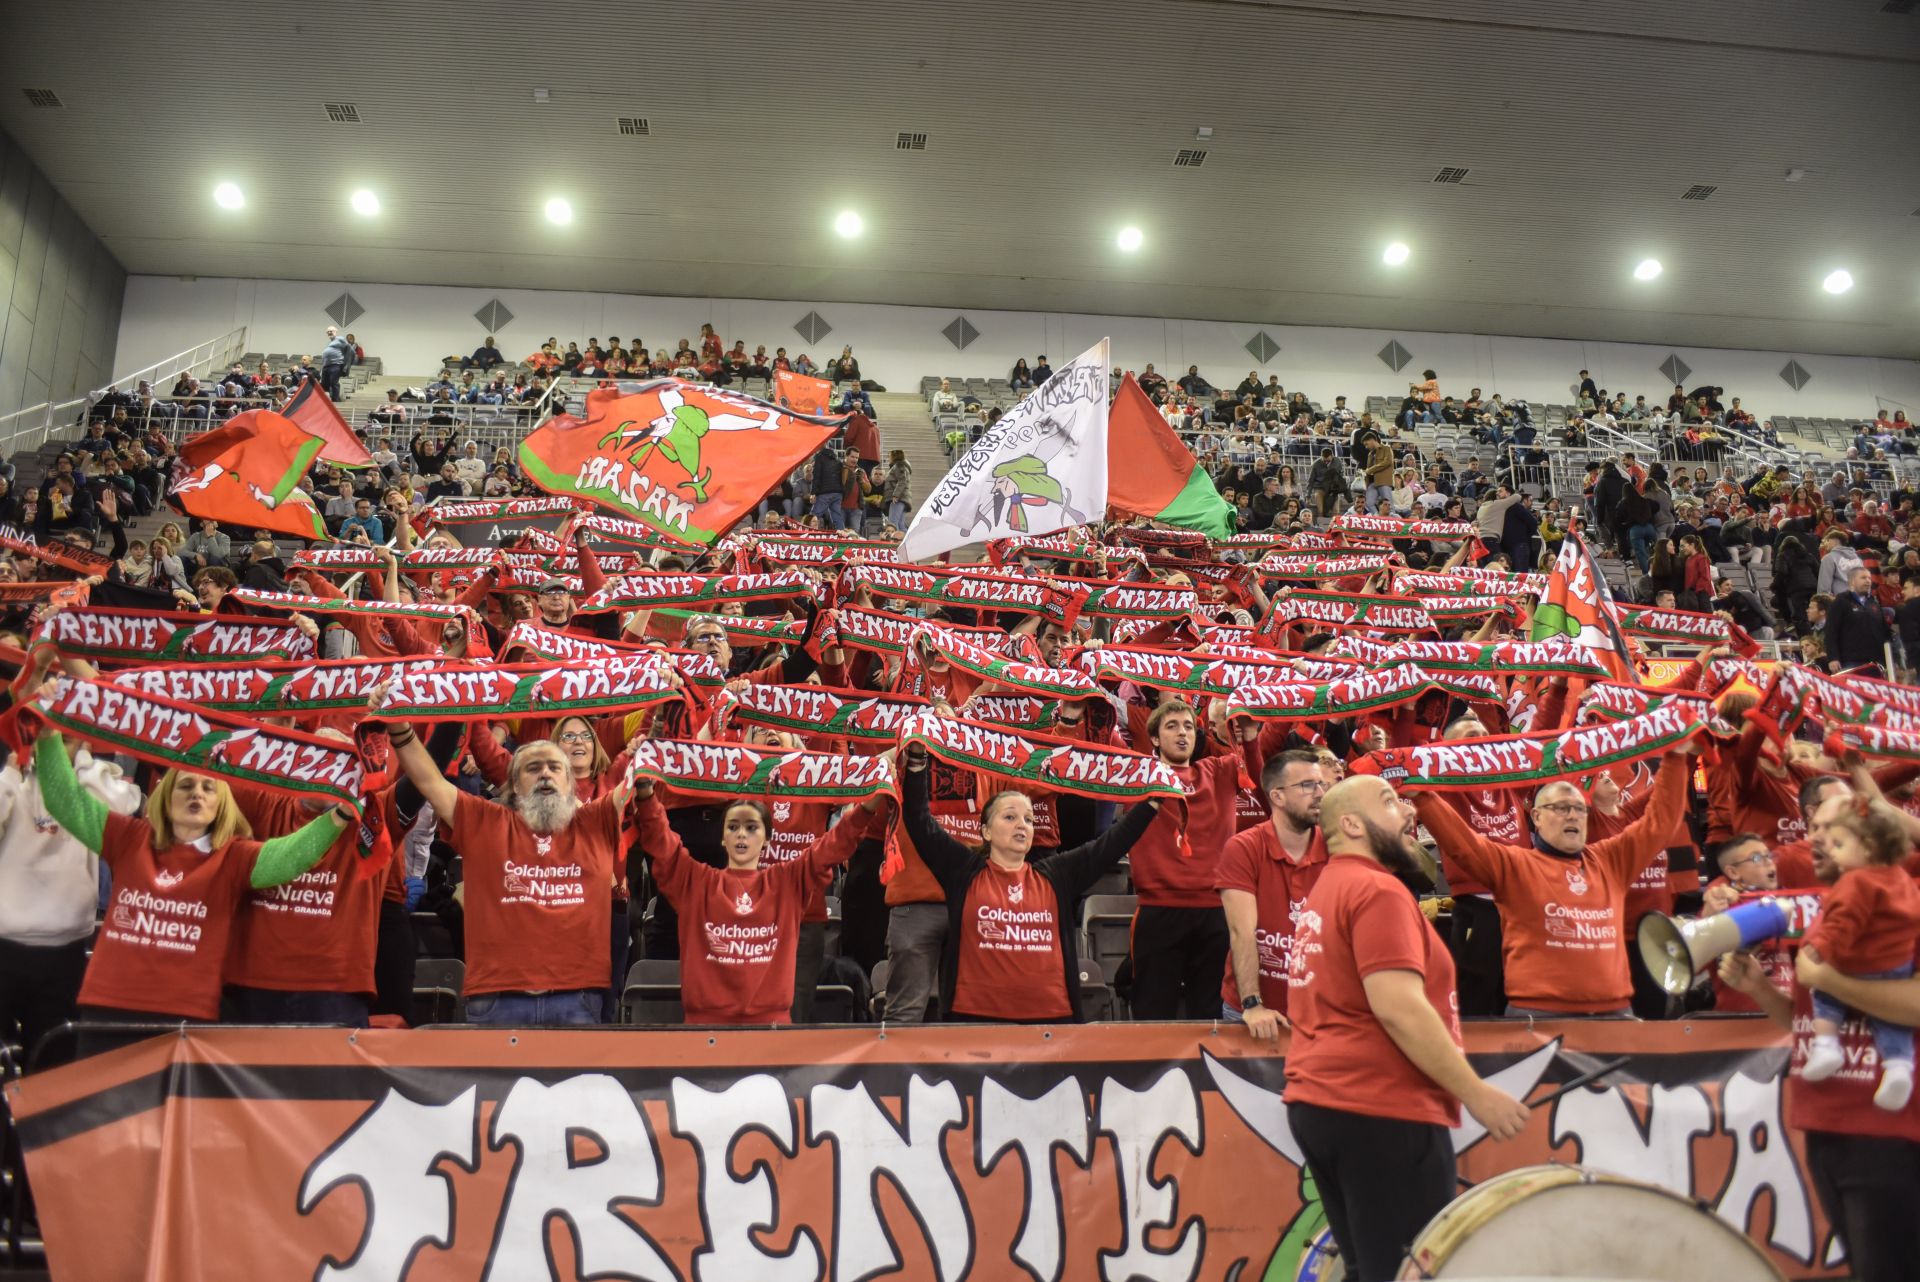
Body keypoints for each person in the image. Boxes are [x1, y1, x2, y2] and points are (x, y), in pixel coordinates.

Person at [1285, 774, 1527, 1282]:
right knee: (1408, 1271)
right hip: (1379, 1105)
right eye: (1391, 802)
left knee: (1368, 1270)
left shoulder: (1327, 888)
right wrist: (1476, 1093)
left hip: (1323, 1103)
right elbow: (1398, 1007)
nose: (1408, 812)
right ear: (1351, 823)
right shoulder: (1376, 890)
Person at [31, 730, 352, 1050]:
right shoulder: (128, 837)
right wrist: (47, 736)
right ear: (166, 796)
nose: (195, 794)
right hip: (108, 1008)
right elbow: (63, 800)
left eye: (207, 788)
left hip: (187, 1018)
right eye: (185, 786)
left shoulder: (233, 857)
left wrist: (339, 815)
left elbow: (292, 856)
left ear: (221, 803)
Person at [1724, 792, 1920, 1282]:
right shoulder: (1826, 910)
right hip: (1826, 1125)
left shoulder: (1906, 904)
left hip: (1890, 1132)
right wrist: (1760, 990)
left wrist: (1830, 981)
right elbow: (1806, 1023)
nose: (1815, 839)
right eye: (1814, 829)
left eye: (1833, 832)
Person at [898, 727, 1160, 1022]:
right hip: (976, 1026)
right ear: (985, 831)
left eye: (1028, 819)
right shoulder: (964, 872)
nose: (1021, 825)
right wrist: (918, 762)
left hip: (1052, 1025)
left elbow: (1109, 846)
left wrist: (1153, 802)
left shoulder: (1055, 875)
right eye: (1009, 817)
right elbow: (919, 821)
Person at [1411, 749, 1693, 1017]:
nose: (1572, 814)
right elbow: (1464, 845)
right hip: (1538, 1016)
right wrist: (1423, 796)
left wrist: (1678, 756)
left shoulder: (1612, 859)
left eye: (1579, 809)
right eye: (1560, 808)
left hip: (1615, 1014)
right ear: (1536, 817)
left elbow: (1661, 821)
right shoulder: (1514, 865)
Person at [383, 719, 629, 1025]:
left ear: (571, 784)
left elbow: (643, 774)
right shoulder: (484, 821)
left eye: (555, 768)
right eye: (532, 768)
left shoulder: (594, 822)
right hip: (497, 999)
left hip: (576, 998)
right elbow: (429, 780)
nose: (545, 774)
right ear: (512, 786)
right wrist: (401, 731)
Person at [632, 779, 888, 1025]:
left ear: (767, 839)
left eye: (751, 827)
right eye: (733, 827)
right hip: (705, 1029)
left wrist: (869, 804)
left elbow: (835, 844)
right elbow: (662, 845)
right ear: (722, 838)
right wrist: (645, 794)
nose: (741, 834)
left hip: (770, 1031)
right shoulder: (697, 883)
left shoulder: (787, 883)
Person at [1799, 799, 1920, 1109]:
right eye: (1815, 828)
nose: (1823, 842)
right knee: (1891, 1026)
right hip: (1897, 964)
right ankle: (1898, 1066)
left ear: (1867, 846)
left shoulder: (1855, 882)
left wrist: (1823, 966)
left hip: (1856, 963)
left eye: (1836, 840)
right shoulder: (1901, 880)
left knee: (1825, 998)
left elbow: (1843, 925)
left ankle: (1826, 1045)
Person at [1217, 750, 1328, 1039]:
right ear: (1277, 796)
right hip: (1253, 1013)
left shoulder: (1336, 847)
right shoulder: (1243, 848)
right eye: (1307, 785)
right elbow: (1243, 932)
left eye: (1320, 784)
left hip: (1321, 1012)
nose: (1319, 793)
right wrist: (1252, 1004)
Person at [1827, 566, 1892, 674]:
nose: (1868, 581)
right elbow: (1831, 631)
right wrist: (1833, 657)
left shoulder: (1873, 602)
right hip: (1852, 661)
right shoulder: (1841, 601)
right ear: (1852, 581)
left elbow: (1884, 631)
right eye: (1863, 578)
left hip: (1876, 661)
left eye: (1869, 578)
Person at [320, 326, 354, 401]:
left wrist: (346, 364)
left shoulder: (340, 339)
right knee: (324, 384)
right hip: (327, 365)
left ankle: (336, 400)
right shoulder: (331, 342)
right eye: (328, 331)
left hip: (335, 364)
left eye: (331, 331)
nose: (329, 332)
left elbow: (350, 349)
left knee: (333, 382)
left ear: (335, 332)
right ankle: (325, 400)